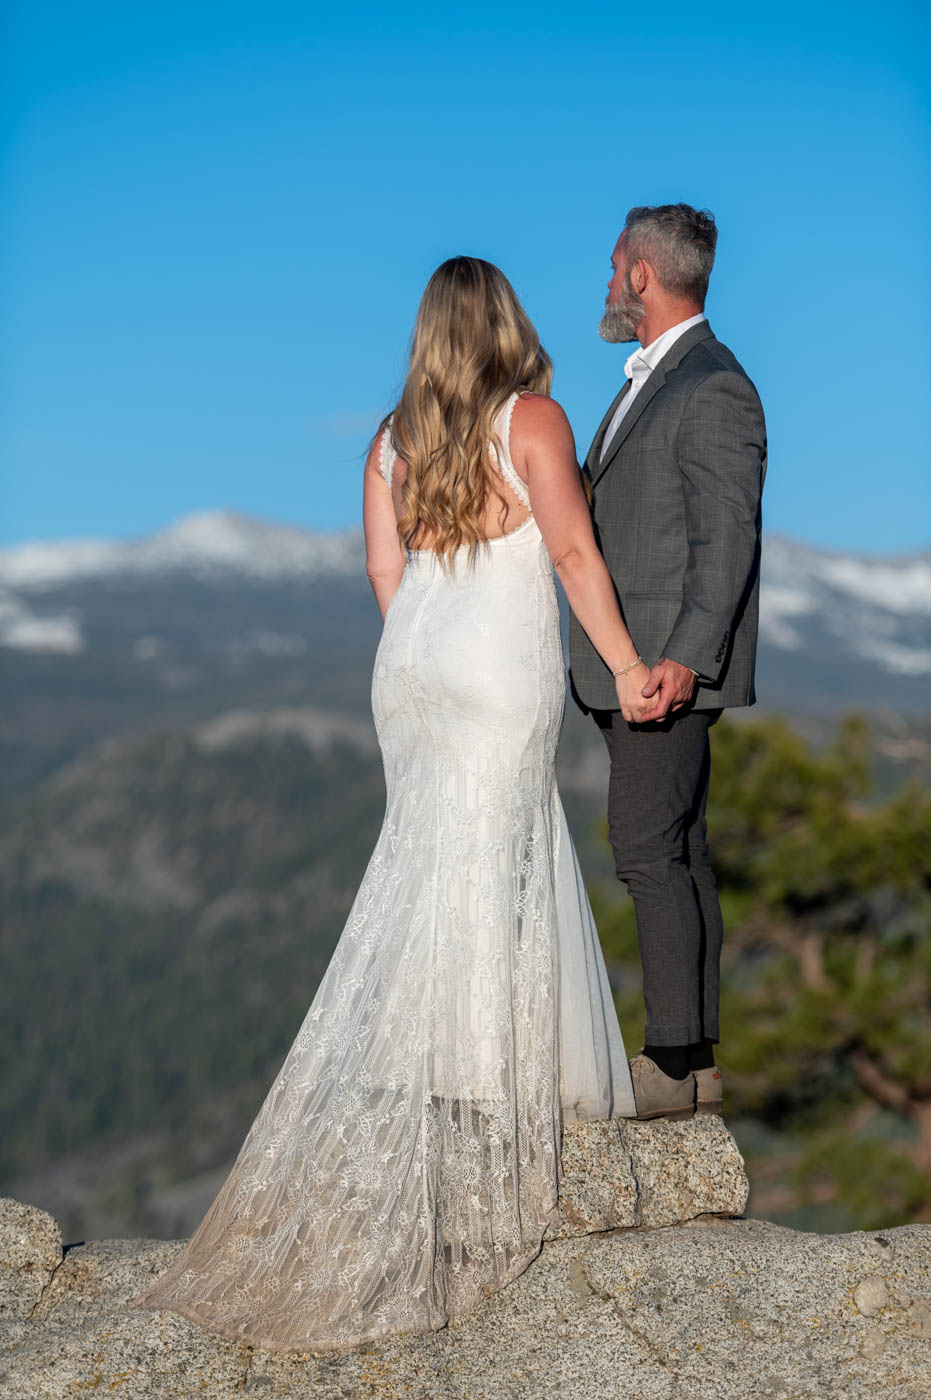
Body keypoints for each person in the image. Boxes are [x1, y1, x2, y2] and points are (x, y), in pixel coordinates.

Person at [129, 256, 648, 1354]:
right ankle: (481, 1071)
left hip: (410, 659)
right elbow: (567, 550)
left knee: (424, 856)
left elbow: (383, 570)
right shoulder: (535, 420)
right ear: (506, 325)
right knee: (494, 852)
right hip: (494, 661)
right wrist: (627, 665)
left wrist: (419, 650)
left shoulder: (389, 437)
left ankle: (437, 1061)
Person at [569, 204, 767, 1123]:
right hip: (641, 664)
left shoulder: (711, 385)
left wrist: (684, 658)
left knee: (649, 851)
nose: (608, 284)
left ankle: (669, 1062)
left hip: (659, 669)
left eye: (615, 268)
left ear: (642, 275)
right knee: (678, 852)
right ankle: (695, 1064)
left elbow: (725, 539)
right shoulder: (657, 380)